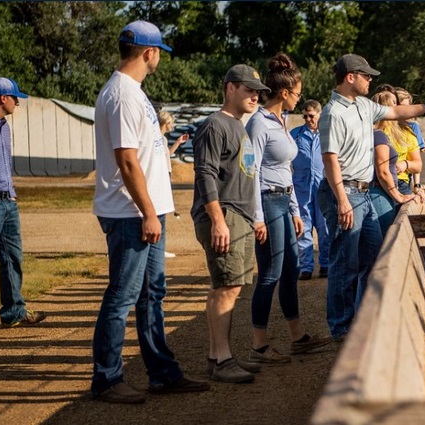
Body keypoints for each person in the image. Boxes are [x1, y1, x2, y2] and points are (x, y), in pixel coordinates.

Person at [91, 20, 207, 404]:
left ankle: (162, 372)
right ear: (149, 52)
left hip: (142, 212)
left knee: (151, 294)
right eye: (159, 52)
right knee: (122, 296)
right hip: (131, 213)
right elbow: (127, 162)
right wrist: (148, 213)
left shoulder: (133, 92)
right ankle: (106, 379)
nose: (159, 58)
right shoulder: (123, 95)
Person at [319, 53, 425, 341]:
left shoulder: (364, 106)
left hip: (364, 191)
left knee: (374, 256)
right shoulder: (333, 113)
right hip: (345, 191)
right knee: (345, 262)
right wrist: (342, 200)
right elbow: (330, 159)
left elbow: (397, 113)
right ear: (350, 77)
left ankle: (365, 317)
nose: (371, 79)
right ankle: (342, 329)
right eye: (366, 75)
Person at [246, 53, 331, 364]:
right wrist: (257, 217)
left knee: (291, 269)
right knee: (269, 272)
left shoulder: (282, 122)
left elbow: (288, 171)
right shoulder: (259, 122)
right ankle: (259, 345)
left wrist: (295, 210)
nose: (299, 98)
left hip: (284, 199)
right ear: (284, 93)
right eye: (297, 93)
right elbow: (251, 171)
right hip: (267, 202)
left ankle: (298, 337)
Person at [191, 63, 269, 384]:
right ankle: (223, 360)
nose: (255, 96)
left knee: (225, 287)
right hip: (225, 215)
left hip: (239, 215)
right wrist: (218, 220)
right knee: (228, 288)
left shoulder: (238, 125)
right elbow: (205, 173)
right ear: (230, 89)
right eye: (248, 89)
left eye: (258, 92)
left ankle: (216, 356)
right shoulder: (215, 125)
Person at [0, 77, 47, 340]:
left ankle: (14, 312)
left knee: (12, 258)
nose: (18, 101)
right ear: (3, 98)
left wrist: (11, 196)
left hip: (7, 203)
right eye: (15, 97)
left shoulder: (4, 128)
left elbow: (3, 167)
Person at [367, 90, 420, 236]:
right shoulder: (378, 134)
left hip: (390, 187)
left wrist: (406, 165)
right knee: (387, 237)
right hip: (381, 189)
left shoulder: (405, 132)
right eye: (396, 105)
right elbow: (383, 171)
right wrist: (398, 196)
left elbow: (418, 165)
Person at [290, 100, 329, 281]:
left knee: (325, 227)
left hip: (322, 187)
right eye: (304, 116)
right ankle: (305, 267)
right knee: (303, 228)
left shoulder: (328, 134)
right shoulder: (295, 135)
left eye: (311, 116)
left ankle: (326, 264)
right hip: (301, 188)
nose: (307, 119)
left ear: (319, 114)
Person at [375, 85, 424, 196]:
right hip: (377, 183)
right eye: (402, 107)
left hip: (402, 183)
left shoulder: (410, 129)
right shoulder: (375, 129)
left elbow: (418, 165)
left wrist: (406, 164)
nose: (408, 111)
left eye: (409, 107)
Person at [157, 109, 189, 258]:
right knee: (160, 211)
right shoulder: (157, 138)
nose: (173, 125)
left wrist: (178, 142)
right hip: (161, 175)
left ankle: (159, 247)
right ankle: (158, 248)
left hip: (165, 174)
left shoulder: (162, 138)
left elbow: (166, 157)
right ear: (166, 123)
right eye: (171, 122)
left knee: (162, 210)